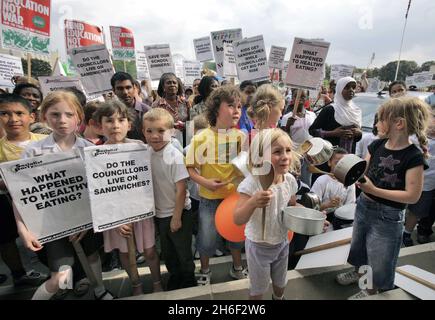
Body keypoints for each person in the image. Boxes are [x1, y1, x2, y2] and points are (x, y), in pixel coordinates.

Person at [16, 91, 113, 300]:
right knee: (61, 274)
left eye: (69, 114)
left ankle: (99, 291)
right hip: (51, 224)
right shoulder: (33, 152)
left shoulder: (88, 149)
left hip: (85, 221)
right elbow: (21, 195)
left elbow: (98, 190)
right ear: (44, 117)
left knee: (92, 256)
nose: (62, 121)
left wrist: (87, 222)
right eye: (55, 115)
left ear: (79, 117)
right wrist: (23, 230)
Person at [336, 96, 431, 299]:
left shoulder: (413, 157)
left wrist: (374, 190)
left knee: (380, 260)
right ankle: (361, 275)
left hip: (388, 217)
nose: (376, 124)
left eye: (380, 119)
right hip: (364, 208)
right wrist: (345, 169)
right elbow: (363, 170)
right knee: (360, 248)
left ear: (398, 123)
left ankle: (370, 291)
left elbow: (412, 196)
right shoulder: (377, 145)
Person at [93, 100, 163, 296]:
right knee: (124, 253)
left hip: (142, 212)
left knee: (149, 251)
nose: (115, 125)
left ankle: (157, 282)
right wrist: (115, 220)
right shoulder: (95, 155)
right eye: (109, 120)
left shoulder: (140, 147)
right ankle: (135, 284)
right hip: (115, 217)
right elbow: (99, 192)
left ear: (129, 125)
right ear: (99, 125)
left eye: (121, 120)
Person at [186, 85, 247, 286]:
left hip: (234, 199)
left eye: (239, 106)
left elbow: (244, 164)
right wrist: (206, 183)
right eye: (230, 105)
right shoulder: (201, 138)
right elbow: (191, 169)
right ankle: (204, 270)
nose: (237, 110)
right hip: (209, 199)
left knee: (236, 236)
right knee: (206, 238)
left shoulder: (241, 137)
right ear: (215, 109)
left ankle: (237, 267)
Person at [234, 128, 299, 300]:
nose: (285, 156)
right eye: (277, 152)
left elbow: (291, 204)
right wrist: (253, 202)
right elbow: (238, 218)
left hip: (282, 241)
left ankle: (278, 298)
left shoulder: (289, 180)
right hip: (258, 246)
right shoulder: (251, 184)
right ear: (259, 156)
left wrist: (307, 216)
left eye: (288, 150)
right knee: (258, 289)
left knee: (281, 283)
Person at [143, 108, 197, 290]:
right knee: (168, 252)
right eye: (149, 131)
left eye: (160, 131)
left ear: (172, 131)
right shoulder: (146, 153)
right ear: (143, 131)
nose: (154, 136)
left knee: (182, 251)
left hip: (178, 213)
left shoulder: (174, 156)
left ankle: (189, 278)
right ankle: (175, 275)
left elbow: (181, 190)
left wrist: (176, 217)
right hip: (159, 214)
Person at [0, 94, 47, 288]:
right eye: (5, 114)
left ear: (32, 117)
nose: (13, 119)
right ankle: (20, 274)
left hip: (48, 206)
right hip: (13, 205)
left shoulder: (47, 141)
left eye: (19, 113)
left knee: (51, 249)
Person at [403, 107, 435, 246]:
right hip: (406, 181)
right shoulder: (412, 138)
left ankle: (407, 233)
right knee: (400, 207)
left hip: (428, 184)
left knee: (416, 212)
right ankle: (397, 229)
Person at [309, 77, 363, 154]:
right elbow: (312, 131)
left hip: (349, 158)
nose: (351, 90)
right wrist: (333, 133)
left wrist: (359, 133)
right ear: (340, 89)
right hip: (329, 158)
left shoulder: (356, 111)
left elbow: (357, 137)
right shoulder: (330, 110)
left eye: (353, 87)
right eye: (347, 87)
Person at [310, 148, 356, 230]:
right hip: (321, 221)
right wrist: (327, 205)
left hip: (341, 222)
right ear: (329, 162)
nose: (341, 166)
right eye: (337, 163)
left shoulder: (350, 183)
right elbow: (311, 208)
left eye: (344, 163)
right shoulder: (322, 180)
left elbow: (350, 209)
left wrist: (340, 207)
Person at [280, 89, 316, 186]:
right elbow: (283, 137)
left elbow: (314, 134)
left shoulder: (312, 115)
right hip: (294, 154)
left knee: (306, 182)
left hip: (308, 155)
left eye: (303, 97)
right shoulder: (287, 117)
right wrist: (288, 126)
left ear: (306, 99)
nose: (299, 99)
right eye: (297, 96)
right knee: (292, 181)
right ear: (292, 98)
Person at [152, 73, 190, 146]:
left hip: (185, 141)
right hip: (165, 142)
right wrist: (170, 126)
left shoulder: (185, 103)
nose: (172, 85)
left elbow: (191, 123)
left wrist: (183, 125)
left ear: (178, 86)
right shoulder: (156, 105)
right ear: (163, 87)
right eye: (169, 83)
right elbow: (154, 125)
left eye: (174, 82)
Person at [111, 72, 150, 141]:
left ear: (134, 88)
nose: (125, 92)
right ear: (114, 91)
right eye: (120, 88)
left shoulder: (146, 111)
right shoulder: (109, 113)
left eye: (128, 87)